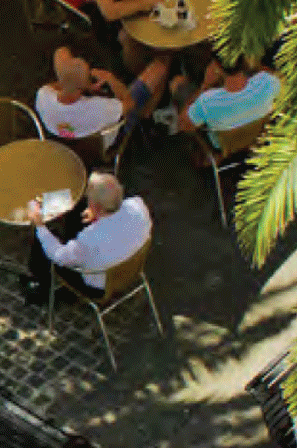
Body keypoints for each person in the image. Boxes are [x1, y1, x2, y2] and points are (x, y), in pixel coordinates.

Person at [21, 170, 152, 305]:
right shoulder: (139, 206)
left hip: (97, 287)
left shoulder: (89, 239)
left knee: (45, 241)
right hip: (131, 269)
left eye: (89, 198)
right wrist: (96, 214)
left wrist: (40, 225)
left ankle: (39, 287)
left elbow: (59, 256)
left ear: (96, 206)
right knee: (78, 213)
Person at [34, 43, 142, 147]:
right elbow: (130, 104)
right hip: (100, 146)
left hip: (62, 144)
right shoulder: (99, 107)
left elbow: (56, 85)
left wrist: (81, 83)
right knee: (158, 68)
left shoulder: (43, 95)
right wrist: (110, 78)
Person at [174, 55, 280, 150]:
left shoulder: (207, 102)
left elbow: (183, 125)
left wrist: (205, 85)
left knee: (177, 83)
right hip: (257, 138)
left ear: (217, 68)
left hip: (224, 146)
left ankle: (211, 157)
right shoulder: (269, 81)